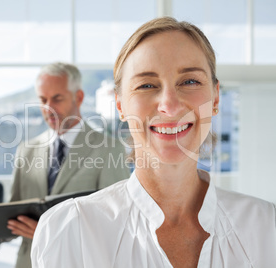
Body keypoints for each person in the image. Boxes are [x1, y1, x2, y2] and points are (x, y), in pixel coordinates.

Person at [31, 17, 276, 267]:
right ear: (120, 105)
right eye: (146, 85)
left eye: (190, 81)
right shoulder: (73, 230)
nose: (169, 105)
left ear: (215, 98)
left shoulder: (266, 227)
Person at [7, 62, 130, 268]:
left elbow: (117, 224)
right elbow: (13, 210)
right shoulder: (26, 150)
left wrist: (48, 231)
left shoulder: (109, 149)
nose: (48, 108)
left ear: (79, 97)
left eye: (57, 98)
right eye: (43, 99)